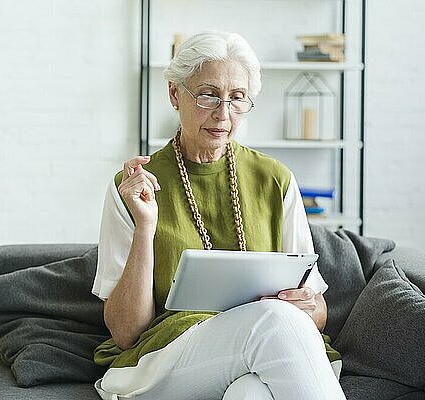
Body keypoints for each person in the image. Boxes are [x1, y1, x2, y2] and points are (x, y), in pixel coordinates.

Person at [91, 31, 346, 400]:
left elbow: (315, 310)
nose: (223, 114)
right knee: (274, 321)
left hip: (266, 352)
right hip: (167, 359)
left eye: (237, 98)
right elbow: (126, 331)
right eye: (208, 94)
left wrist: (309, 305)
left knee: (250, 394)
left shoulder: (275, 179)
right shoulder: (134, 186)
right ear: (175, 94)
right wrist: (146, 226)